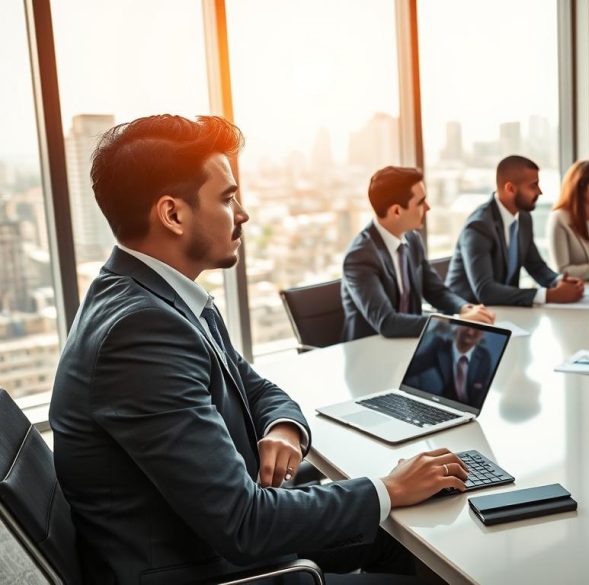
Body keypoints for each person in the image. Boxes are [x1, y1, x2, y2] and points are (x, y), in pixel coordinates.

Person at [48, 115, 470, 584]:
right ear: (172, 214)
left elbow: (256, 386)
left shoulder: (158, 296)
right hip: (211, 566)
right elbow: (244, 525)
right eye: (228, 198)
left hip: (203, 531)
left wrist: (285, 427)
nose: (243, 214)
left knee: (405, 532)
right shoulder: (142, 331)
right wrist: (390, 488)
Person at [342, 166, 495, 342]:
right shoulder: (360, 257)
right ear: (396, 211)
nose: (428, 207)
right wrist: (457, 322)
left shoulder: (412, 239)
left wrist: (464, 309)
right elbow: (387, 323)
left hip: (411, 344)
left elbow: (436, 291)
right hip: (371, 353)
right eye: (421, 202)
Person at [446, 155, 584, 306]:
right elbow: (485, 291)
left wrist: (558, 281)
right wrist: (549, 295)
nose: (539, 191)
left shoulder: (523, 218)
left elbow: (535, 266)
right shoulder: (479, 226)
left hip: (504, 312)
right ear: (510, 189)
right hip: (467, 318)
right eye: (533, 185)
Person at [404, 323, 493, 409]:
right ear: (457, 327)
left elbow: (482, 393)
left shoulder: (484, 356)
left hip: (469, 410)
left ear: (482, 335)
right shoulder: (440, 347)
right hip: (444, 404)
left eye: (477, 330)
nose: (470, 333)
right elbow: (413, 367)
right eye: (467, 327)